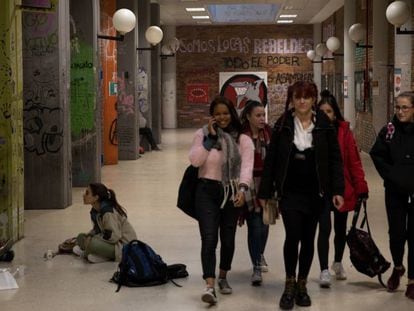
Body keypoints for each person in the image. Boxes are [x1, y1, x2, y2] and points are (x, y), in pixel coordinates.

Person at [257, 81, 344, 310]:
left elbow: (335, 159)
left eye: (306, 97)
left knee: (308, 239)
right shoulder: (283, 124)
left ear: (313, 99)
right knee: (292, 236)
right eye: (297, 97)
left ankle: (302, 284)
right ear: (292, 99)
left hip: (315, 193)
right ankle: (289, 283)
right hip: (290, 192)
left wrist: (337, 190)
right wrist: (265, 191)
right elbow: (272, 160)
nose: (302, 101)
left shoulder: (324, 124)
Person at [189, 95, 254, 305]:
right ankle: (209, 284)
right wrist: (209, 139)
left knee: (228, 239)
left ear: (232, 114)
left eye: (225, 113)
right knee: (209, 238)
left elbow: (246, 168)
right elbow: (195, 160)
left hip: (231, 191)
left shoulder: (242, 139)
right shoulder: (202, 135)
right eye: (217, 114)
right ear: (212, 116)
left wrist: (243, 190)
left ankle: (223, 276)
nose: (222, 117)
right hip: (206, 191)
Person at [316, 90, 369, 288]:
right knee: (324, 229)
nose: (325, 115)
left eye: (329, 111)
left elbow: (354, 162)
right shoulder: (313, 131)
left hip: (342, 187)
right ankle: (323, 269)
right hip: (321, 189)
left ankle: (337, 262)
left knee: (339, 229)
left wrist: (361, 186)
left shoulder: (344, 132)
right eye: (322, 111)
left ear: (335, 113)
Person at [370, 91, 414, 300]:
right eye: (397, 107)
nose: (400, 111)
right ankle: (398, 267)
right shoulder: (389, 130)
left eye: (405, 107)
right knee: (396, 234)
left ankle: (412, 280)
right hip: (395, 192)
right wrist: (392, 175)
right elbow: (377, 154)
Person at [240, 100, 272, 286]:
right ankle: (256, 267)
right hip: (249, 184)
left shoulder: (269, 134)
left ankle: (260, 254)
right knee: (254, 226)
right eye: (258, 115)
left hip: (267, 185)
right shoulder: (241, 136)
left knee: (265, 224)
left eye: (263, 115)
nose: (262, 119)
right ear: (248, 117)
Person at [73, 183, 137, 263]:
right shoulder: (95, 211)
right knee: (80, 237)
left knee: (93, 243)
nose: (84, 195)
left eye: (87, 193)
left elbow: (114, 236)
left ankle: (103, 255)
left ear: (96, 197)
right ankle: (96, 253)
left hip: (123, 247)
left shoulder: (108, 212)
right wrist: (90, 236)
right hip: (112, 243)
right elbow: (98, 230)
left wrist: (93, 239)